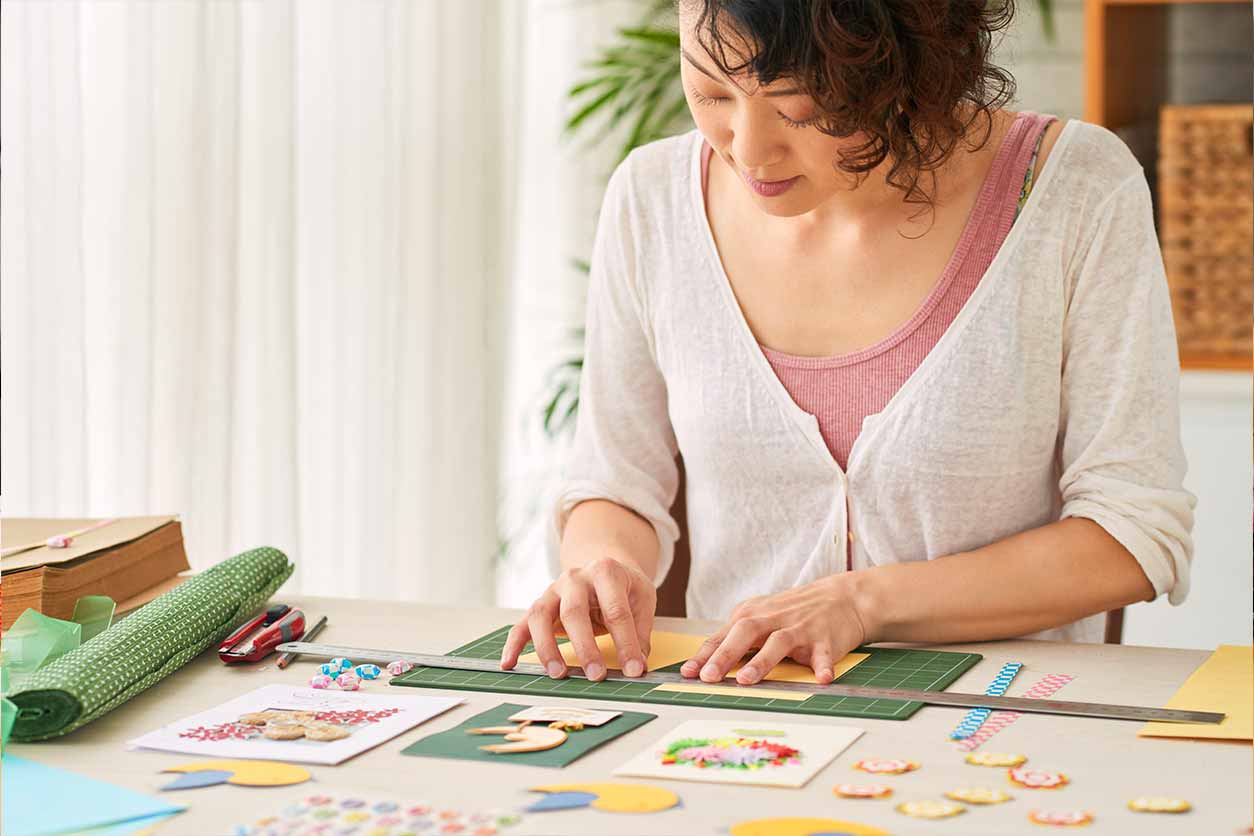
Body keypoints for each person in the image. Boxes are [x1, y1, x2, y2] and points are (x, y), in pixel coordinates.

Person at [500, 0, 1194, 687]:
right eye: (710, 90)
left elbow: (1133, 535)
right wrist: (605, 565)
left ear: (906, 64)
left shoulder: (1074, 191)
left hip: (999, 724)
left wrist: (863, 603)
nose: (747, 149)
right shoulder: (652, 199)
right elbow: (614, 485)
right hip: (735, 724)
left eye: (798, 108)